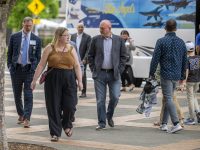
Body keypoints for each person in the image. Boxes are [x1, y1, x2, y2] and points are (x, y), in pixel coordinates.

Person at [31, 27, 83, 141]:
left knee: (71, 104)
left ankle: (67, 124)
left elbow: (77, 66)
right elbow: (41, 65)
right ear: (59, 37)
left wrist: (80, 81)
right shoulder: (50, 48)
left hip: (69, 78)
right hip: (53, 79)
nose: (68, 37)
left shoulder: (71, 48)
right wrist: (34, 80)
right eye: (66, 35)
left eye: (68, 35)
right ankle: (55, 133)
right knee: (53, 106)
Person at [88, 20, 127, 130]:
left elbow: (124, 56)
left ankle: (109, 115)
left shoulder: (119, 40)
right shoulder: (95, 39)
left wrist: (119, 70)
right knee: (100, 100)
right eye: (100, 28)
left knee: (115, 97)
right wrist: (93, 69)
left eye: (102, 28)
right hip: (99, 74)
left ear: (109, 28)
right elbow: (90, 56)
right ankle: (101, 123)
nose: (100, 30)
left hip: (114, 74)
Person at [149, 19, 187, 133]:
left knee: (168, 98)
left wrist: (151, 74)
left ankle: (176, 123)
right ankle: (164, 124)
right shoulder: (181, 42)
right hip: (176, 75)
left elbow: (155, 59)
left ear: (165, 28)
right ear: (176, 28)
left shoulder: (161, 41)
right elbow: (185, 61)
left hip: (165, 74)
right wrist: (182, 76)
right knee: (167, 98)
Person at [7, 17, 41, 128]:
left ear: (32, 25)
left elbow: (38, 56)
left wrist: (34, 68)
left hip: (29, 71)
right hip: (16, 70)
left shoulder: (36, 39)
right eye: (26, 25)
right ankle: (21, 114)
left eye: (30, 26)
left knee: (28, 95)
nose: (28, 27)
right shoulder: (14, 37)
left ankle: (27, 118)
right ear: (23, 24)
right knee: (17, 95)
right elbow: (10, 53)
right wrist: (10, 67)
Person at [71, 23, 91, 98]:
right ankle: (73, 90)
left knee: (82, 75)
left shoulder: (88, 37)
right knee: (72, 75)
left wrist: (85, 59)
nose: (80, 28)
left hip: (83, 60)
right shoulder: (72, 36)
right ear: (76, 28)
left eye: (82, 27)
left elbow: (89, 49)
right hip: (73, 59)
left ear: (83, 28)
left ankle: (83, 92)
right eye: (79, 27)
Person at [184, 41, 200, 125]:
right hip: (197, 80)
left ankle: (191, 118)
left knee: (190, 98)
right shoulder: (198, 57)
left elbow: (187, 71)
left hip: (190, 81)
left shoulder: (187, 59)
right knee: (194, 96)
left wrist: (184, 81)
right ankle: (198, 112)